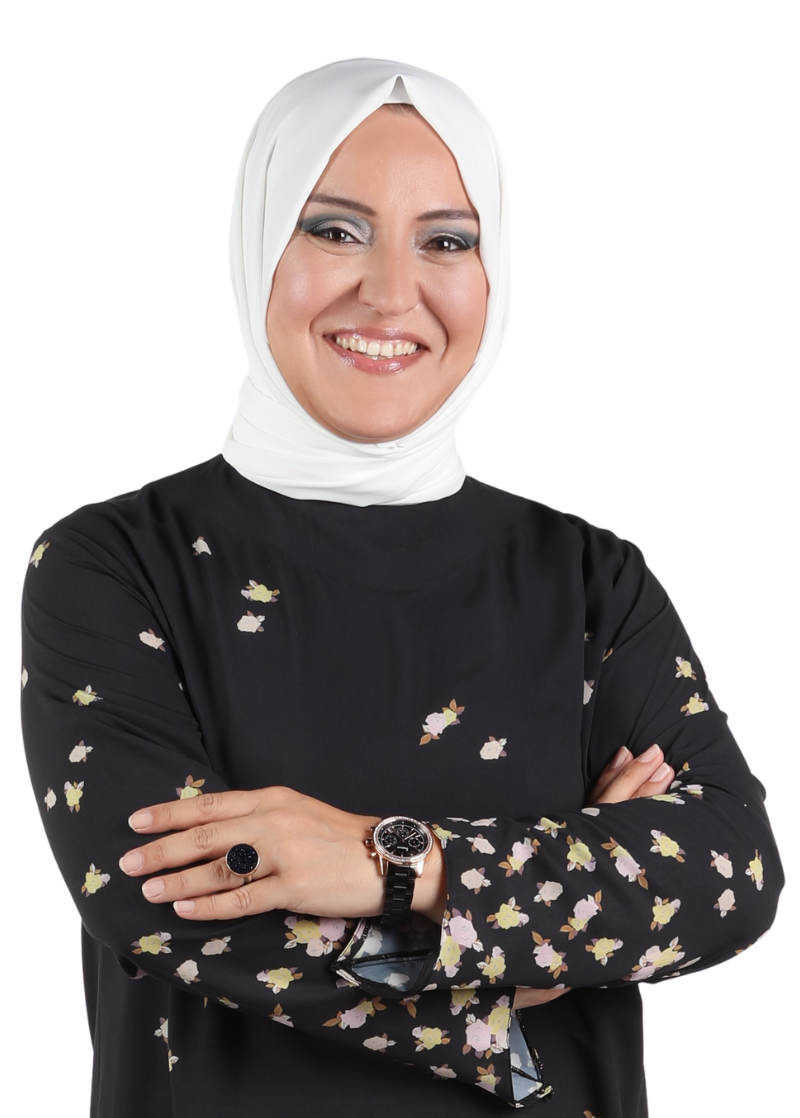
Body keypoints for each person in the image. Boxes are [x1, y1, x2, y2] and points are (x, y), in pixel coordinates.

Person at [19, 57, 784, 1116]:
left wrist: (397, 861)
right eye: (334, 229)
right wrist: (539, 950)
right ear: (257, 245)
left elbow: (728, 874)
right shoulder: (114, 565)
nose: (389, 291)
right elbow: (162, 906)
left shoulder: (587, 580)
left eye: (446, 241)